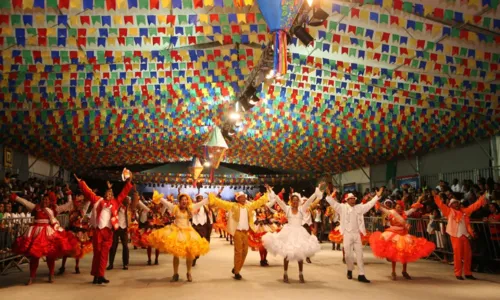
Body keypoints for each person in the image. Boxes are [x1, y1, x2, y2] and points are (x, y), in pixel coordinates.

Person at [74, 173, 135, 285]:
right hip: (98, 231)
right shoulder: (97, 200)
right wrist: (81, 182)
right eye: (108, 192)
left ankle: (101, 275)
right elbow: (88, 192)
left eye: (111, 193)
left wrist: (129, 182)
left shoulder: (115, 203)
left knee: (104, 254)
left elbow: (123, 193)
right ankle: (95, 276)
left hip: (109, 232)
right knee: (97, 254)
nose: (109, 194)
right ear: (105, 193)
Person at [10, 192, 78, 285]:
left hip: (46, 233)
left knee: (50, 255)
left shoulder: (52, 210)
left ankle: (51, 274)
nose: (45, 201)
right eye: (44, 199)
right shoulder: (36, 207)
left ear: (50, 201)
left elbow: (61, 211)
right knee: (34, 256)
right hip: (35, 233)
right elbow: (25, 202)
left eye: (47, 199)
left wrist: (69, 194)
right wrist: (16, 198)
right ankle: (31, 277)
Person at [262, 184, 323, 283]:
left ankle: (301, 274)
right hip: (288, 232)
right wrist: (270, 191)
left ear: (298, 201)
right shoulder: (287, 208)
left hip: (299, 232)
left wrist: (318, 191)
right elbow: (278, 200)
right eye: (293, 200)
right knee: (287, 254)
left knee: (300, 254)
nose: (295, 202)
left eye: (296, 200)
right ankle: (285, 273)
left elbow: (310, 200)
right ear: (291, 201)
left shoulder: (302, 209)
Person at [146, 190, 210, 282]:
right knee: (176, 255)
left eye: (185, 200)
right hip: (176, 232)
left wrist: (210, 198)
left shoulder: (190, 208)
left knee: (190, 254)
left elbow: (201, 203)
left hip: (188, 233)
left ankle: (189, 273)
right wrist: (158, 197)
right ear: (179, 201)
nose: (184, 201)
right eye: (182, 200)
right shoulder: (175, 208)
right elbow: (165, 202)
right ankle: (175, 274)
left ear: (187, 201)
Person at [325, 186, 384, 283]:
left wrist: (376, 197)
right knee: (348, 255)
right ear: (347, 200)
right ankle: (350, 269)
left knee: (360, 255)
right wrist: (328, 195)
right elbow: (333, 203)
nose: (353, 200)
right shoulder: (342, 207)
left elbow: (369, 204)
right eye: (351, 199)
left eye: (354, 199)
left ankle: (362, 274)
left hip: (357, 234)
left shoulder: (359, 207)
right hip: (347, 234)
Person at [208, 187, 269, 280]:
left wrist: (267, 194)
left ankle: (236, 268)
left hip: (245, 232)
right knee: (238, 252)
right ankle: (237, 272)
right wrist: (213, 197)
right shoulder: (233, 206)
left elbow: (258, 203)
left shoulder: (249, 206)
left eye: (244, 197)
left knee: (245, 251)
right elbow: (221, 203)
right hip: (237, 232)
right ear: (238, 199)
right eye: (242, 197)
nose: (244, 198)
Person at [369, 197, 435, 280]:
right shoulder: (391, 213)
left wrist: (419, 200)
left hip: (403, 235)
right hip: (393, 235)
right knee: (393, 254)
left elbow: (413, 209)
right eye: (397, 207)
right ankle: (393, 271)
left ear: (402, 208)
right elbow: (381, 208)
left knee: (405, 253)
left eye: (400, 207)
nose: (398, 208)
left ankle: (404, 271)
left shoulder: (405, 213)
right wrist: (374, 199)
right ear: (395, 207)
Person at [432, 190, 486, 280]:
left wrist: (482, 199)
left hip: (465, 235)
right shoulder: (449, 212)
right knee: (457, 255)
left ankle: (468, 273)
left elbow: (474, 206)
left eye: (457, 203)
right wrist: (436, 196)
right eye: (454, 203)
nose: (456, 204)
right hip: (455, 236)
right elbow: (441, 205)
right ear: (451, 205)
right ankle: (458, 273)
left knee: (468, 255)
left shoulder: (464, 211)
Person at [58, 190, 91, 275]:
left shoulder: (83, 208)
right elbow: (64, 206)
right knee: (66, 248)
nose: (78, 200)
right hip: (71, 230)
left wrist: (89, 192)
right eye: (77, 197)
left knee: (78, 249)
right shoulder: (71, 206)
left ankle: (76, 266)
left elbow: (88, 201)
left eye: (80, 198)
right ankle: (63, 266)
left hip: (79, 231)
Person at [133, 191, 170, 266]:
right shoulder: (149, 211)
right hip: (150, 230)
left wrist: (164, 199)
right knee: (149, 245)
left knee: (157, 246)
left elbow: (166, 206)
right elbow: (141, 205)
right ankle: (149, 259)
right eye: (155, 204)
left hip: (157, 230)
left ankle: (156, 259)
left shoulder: (160, 212)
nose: (156, 206)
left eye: (157, 204)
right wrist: (137, 199)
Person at [107, 193, 132, 271]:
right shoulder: (117, 206)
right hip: (116, 228)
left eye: (128, 200)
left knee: (125, 247)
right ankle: (111, 264)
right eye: (126, 200)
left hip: (124, 228)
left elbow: (135, 202)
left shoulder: (128, 208)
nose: (128, 201)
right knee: (113, 247)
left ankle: (125, 264)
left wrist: (135, 192)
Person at [191, 193, 214, 267]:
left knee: (201, 243)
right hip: (195, 226)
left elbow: (210, 217)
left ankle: (196, 256)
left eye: (201, 198)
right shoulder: (193, 206)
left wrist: (210, 225)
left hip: (203, 227)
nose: (200, 199)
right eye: (198, 198)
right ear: (196, 199)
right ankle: (193, 257)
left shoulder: (206, 207)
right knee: (195, 243)